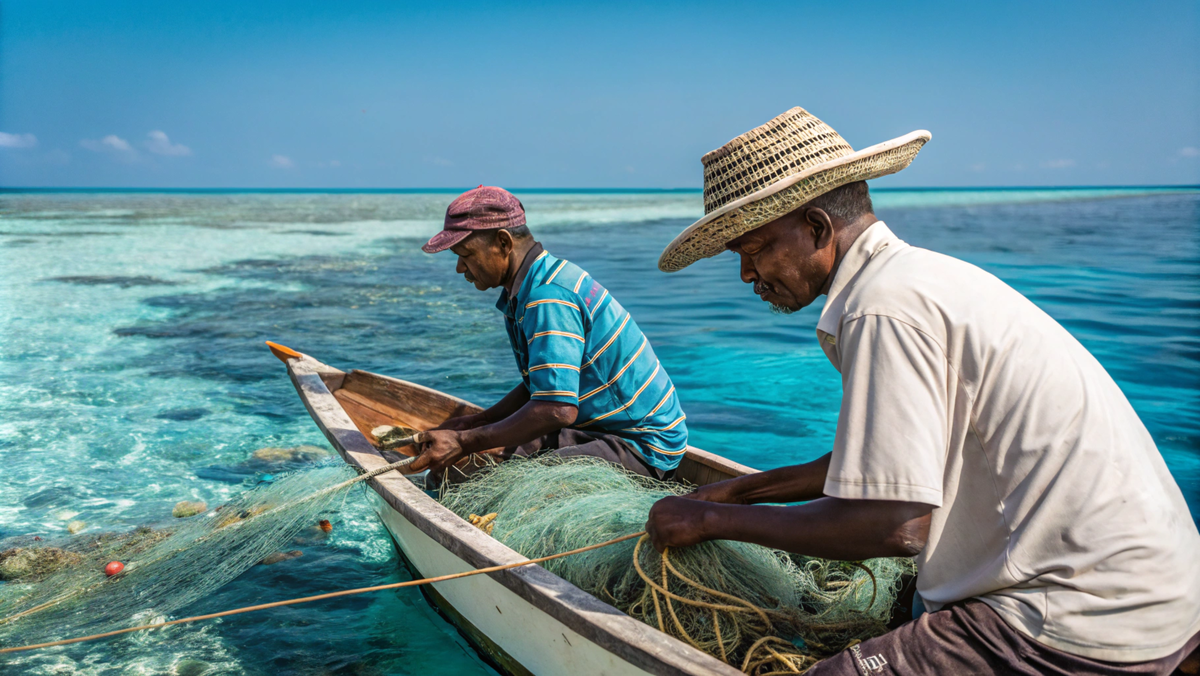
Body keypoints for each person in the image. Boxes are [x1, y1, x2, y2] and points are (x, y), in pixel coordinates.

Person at [646, 107, 1200, 674]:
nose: (745, 274)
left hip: (1074, 617)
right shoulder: (919, 279)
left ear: (816, 227)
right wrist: (740, 493)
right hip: (1165, 590)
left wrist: (711, 523)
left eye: (755, 249)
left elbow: (894, 526)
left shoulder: (881, 309)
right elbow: (885, 465)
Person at [409, 185, 687, 481]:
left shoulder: (548, 297)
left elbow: (556, 409)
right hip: (599, 429)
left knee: (457, 474)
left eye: (465, 254)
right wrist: (482, 420)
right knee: (458, 465)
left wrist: (466, 441)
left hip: (638, 446)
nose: (459, 267)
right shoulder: (534, 285)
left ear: (503, 243)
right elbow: (542, 385)